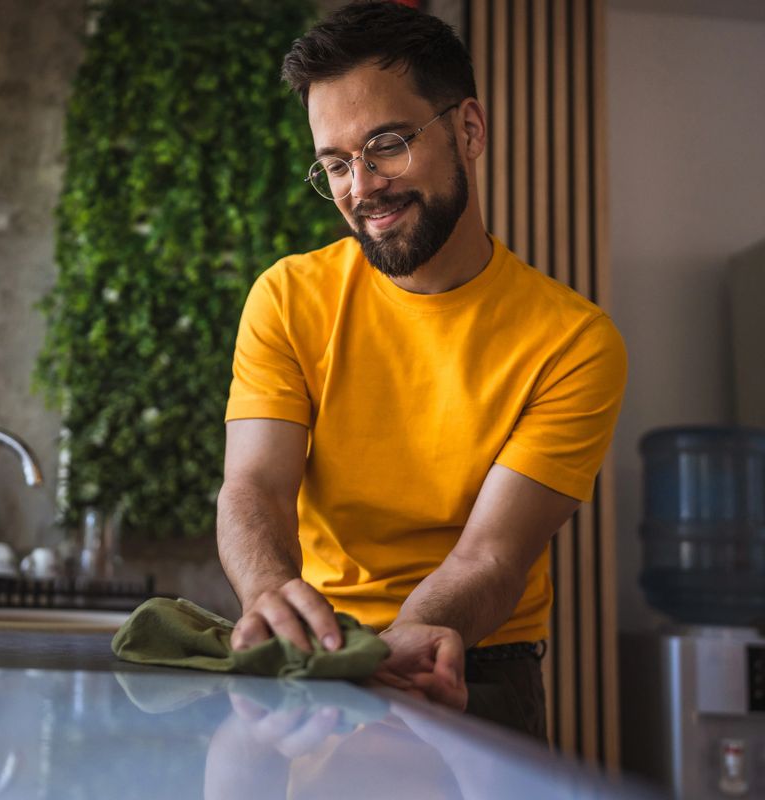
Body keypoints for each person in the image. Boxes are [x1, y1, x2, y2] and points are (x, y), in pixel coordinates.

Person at [216, 0, 626, 740]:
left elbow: (493, 553)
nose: (361, 186)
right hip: (315, 649)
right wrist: (271, 593)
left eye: (386, 144)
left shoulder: (574, 342)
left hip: (471, 666)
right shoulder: (287, 298)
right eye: (336, 163)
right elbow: (254, 486)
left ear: (468, 130)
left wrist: (419, 630)